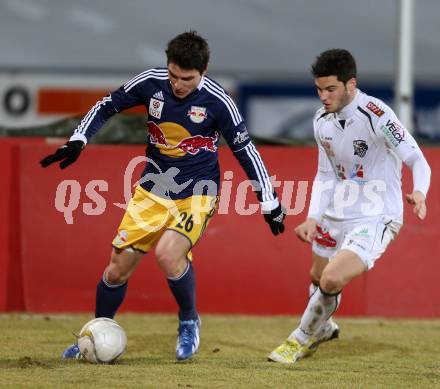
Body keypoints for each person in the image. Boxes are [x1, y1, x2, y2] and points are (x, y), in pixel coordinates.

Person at [40, 31, 285, 361]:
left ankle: (188, 320)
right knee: (116, 270)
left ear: (204, 71)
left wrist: (267, 199)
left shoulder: (218, 101)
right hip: (153, 190)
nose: (178, 84)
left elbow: (245, 149)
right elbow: (106, 105)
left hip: (199, 191)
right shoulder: (150, 82)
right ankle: (97, 331)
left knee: (169, 254)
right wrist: (79, 139)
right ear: (166, 66)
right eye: (173, 75)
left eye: (187, 78)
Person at [268, 49, 431, 364]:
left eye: (331, 89)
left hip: (376, 215)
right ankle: (324, 326)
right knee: (317, 276)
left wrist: (420, 191)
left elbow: (416, 159)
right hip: (336, 214)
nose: (323, 97)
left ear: (350, 84)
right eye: (319, 89)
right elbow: (326, 173)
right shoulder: (321, 121)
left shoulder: (377, 114)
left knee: (331, 279)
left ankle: (299, 340)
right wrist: (313, 217)